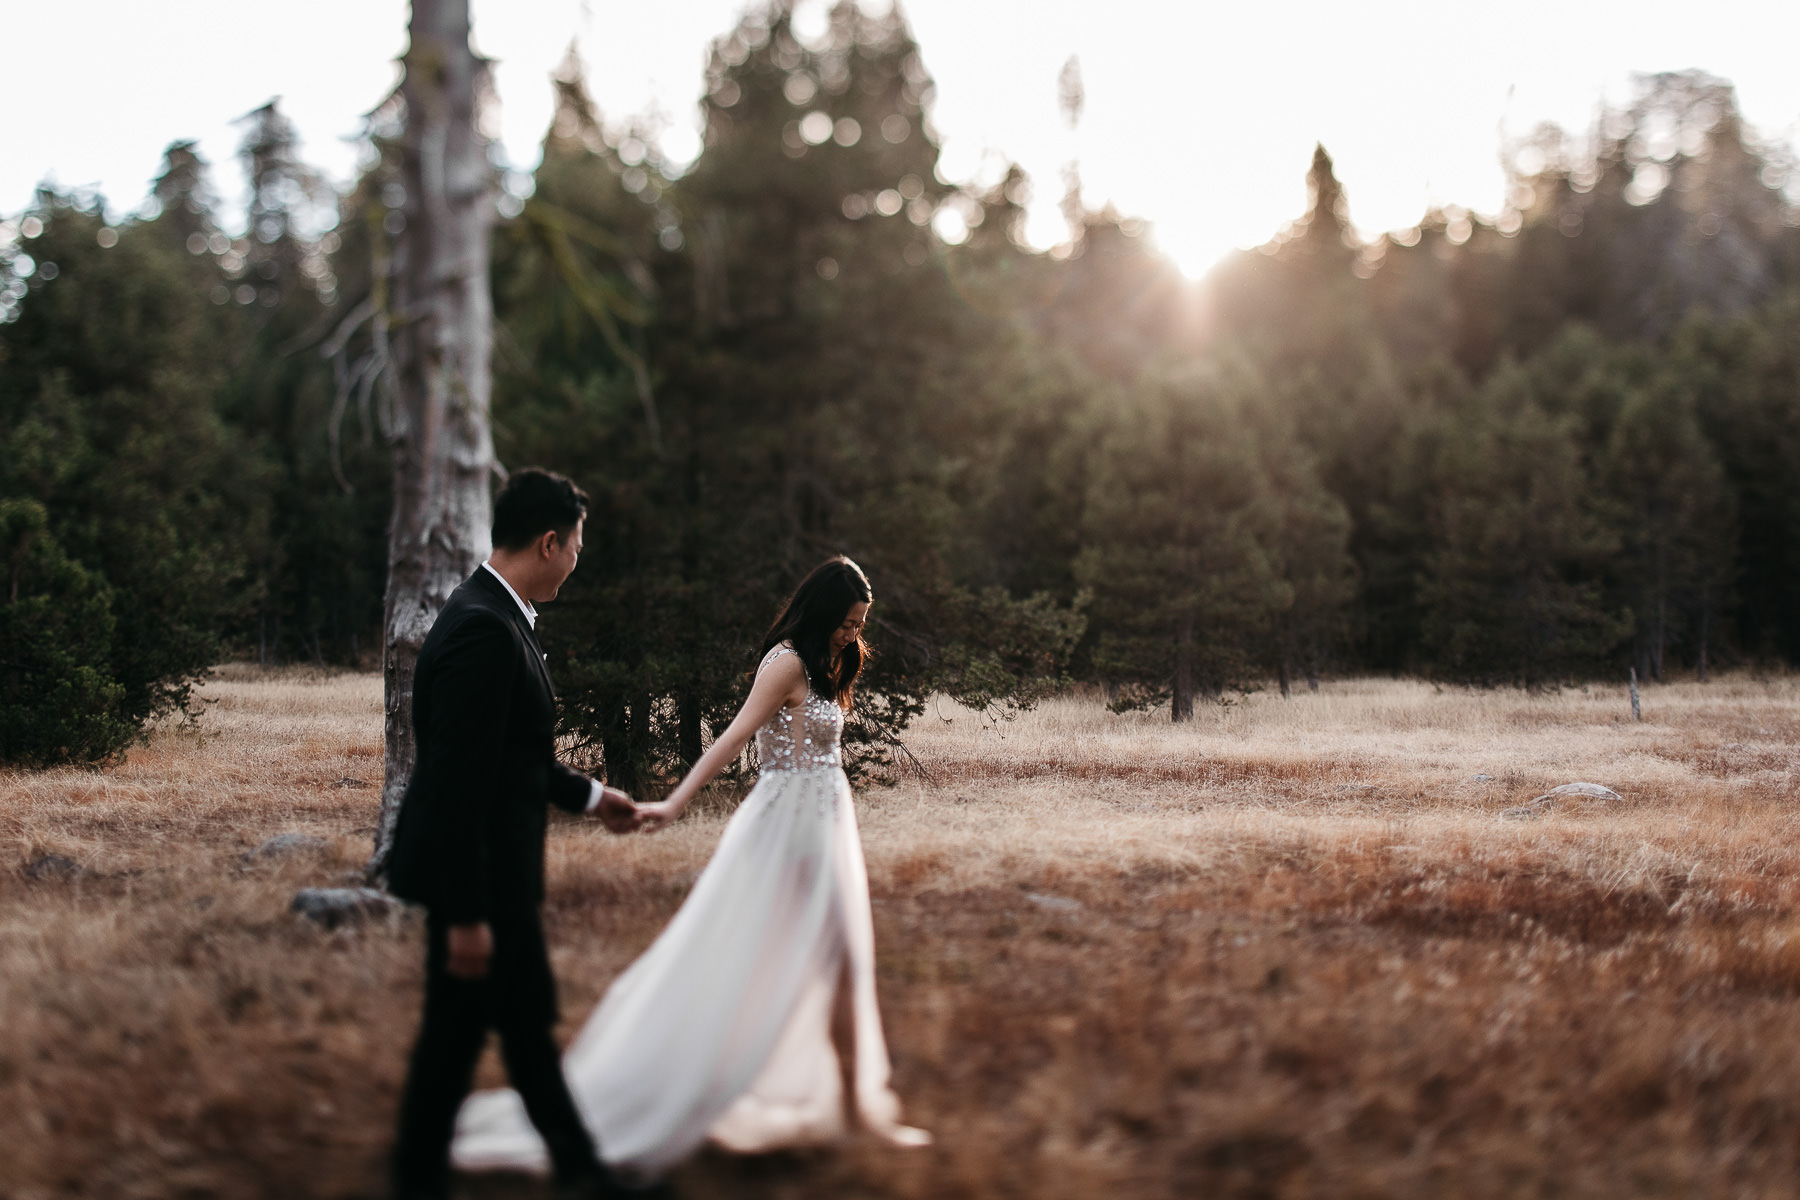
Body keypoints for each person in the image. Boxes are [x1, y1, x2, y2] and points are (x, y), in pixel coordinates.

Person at [451, 555, 931, 1181]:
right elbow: (733, 737)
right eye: (845, 621)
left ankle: (855, 1108)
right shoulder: (785, 662)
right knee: (756, 962)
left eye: (859, 623)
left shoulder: (834, 660)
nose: (852, 633)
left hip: (829, 825)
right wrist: (676, 802)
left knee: (844, 960)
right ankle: (688, 1083)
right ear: (820, 612)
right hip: (785, 826)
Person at [385, 468, 642, 1200]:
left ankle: (439, 1175)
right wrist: (466, 914)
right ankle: (577, 1175)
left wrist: (594, 798)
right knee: (496, 1033)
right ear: (550, 541)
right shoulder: (483, 631)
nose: (577, 561)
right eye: (577, 547)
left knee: (492, 1033)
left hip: (491, 876)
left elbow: (513, 760)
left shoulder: (494, 617)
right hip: (482, 881)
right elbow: (459, 786)